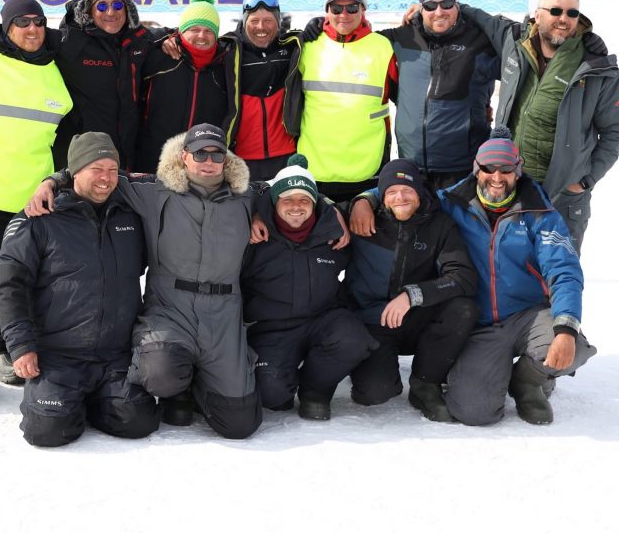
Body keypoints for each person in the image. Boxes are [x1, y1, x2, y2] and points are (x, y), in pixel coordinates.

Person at [27, 123, 262, 439]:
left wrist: (269, 214)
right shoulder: (154, 190)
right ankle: (177, 390)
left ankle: (202, 385)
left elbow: (293, 195)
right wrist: (51, 182)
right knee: (159, 373)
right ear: (184, 155)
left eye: (216, 154)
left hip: (223, 313)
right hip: (171, 308)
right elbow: (93, 169)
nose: (208, 161)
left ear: (226, 158)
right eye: (200, 153)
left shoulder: (247, 196)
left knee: (240, 425)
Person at [0, 132, 161, 447]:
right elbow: (11, 287)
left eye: (113, 170)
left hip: (115, 356)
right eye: (96, 168)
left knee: (138, 421)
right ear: (75, 171)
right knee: (47, 431)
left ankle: (92, 400)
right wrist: (20, 347)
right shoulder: (40, 217)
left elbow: (184, 183)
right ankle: (63, 400)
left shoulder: (131, 215)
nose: (106, 178)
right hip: (58, 355)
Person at [436, 128, 597, 425]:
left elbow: (564, 271)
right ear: (476, 169)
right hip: (479, 324)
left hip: (529, 315)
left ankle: (528, 381)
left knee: (571, 346)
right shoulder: (450, 202)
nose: (497, 177)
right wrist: (367, 199)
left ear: (517, 171)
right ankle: (492, 372)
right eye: (488, 168)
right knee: (474, 411)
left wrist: (565, 330)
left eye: (506, 169)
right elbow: (401, 195)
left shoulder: (540, 212)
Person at [458, 0, 619, 251]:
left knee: (556, 279)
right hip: (508, 186)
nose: (563, 19)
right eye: (555, 10)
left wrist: (585, 180)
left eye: (571, 13)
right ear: (537, 15)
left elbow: (618, 130)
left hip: (562, 196)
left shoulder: (597, 69)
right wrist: (441, 7)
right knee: (505, 273)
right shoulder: (514, 41)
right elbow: (479, 18)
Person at [0, 0, 73, 397]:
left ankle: (6, 349)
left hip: (34, 197)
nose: (31, 29)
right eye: (21, 22)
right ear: (6, 27)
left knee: (24, 281)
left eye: (38, 22)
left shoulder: (57, 71)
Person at [240, 155, 375, 420]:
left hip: (322, 318)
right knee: (272, 395)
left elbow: (388, 197)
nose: (296, 207)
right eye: (287, 200)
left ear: (316, 202)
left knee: (353, 341)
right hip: (271, 327)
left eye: (304, 200)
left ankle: (315, 390)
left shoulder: (334, 228)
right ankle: (285, 374)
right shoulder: (253, 234)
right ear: (274, 201)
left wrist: (361, 201)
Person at [346, 159, 478, 421]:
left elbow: (463, 276)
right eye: (392, 192)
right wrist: (356, 204)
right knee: (374, 393)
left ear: (419, 192)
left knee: (462, 309)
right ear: (381, 197)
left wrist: (412, 295)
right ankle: (371, 368)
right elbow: (311, 210)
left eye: (407, 190)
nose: (400, 197)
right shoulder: (362, 219)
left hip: (417, 317)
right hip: (373, 320)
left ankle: (425, 383)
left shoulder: (439, 225)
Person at [284, 0, 397, 201]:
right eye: (336, 8)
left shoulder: (383, 47)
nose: (343, 14)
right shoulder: (307, 46)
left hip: (367, 170)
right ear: (326, 11)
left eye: (352, 7)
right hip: (315, 169)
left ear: (363, 10)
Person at [378, 0, 499, 189]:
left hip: (462, 168)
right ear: (421, 9)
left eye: (447, 4)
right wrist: (318, 27)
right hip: (412, 166)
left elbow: (517, 40)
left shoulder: (480, 42)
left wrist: (470, 12)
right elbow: (359, 43)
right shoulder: (403, 37)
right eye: (430, 5)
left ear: (458, 6)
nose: (439, 11)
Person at [53, 0, 160, 170]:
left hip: (127, 156)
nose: (111, 12)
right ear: (89, 11)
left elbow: (175, 36)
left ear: (127, 8)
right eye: (102, 5)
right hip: (85, 159)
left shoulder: (142, 41)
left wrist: (175, 41)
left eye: (117, 5)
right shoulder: (69, 43)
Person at [134, 0, 231, 172]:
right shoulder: (158, 57)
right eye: (194, 29)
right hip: (152, 161)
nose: (201, 36)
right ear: (181, 31)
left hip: (201, 165)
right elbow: (133, 38)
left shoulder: (225, 65)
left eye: (208, 30)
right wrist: (162, 37)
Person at [222, 0, 302, 181]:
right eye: (254, 21)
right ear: (244, 21)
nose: (261, 27)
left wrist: (318, 24)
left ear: (278, 22)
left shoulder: (293, 46)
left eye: (268, 21)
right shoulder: (227, 50)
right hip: (241, 156)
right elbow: (195, 43)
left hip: (286, 154)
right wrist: (170, 39)